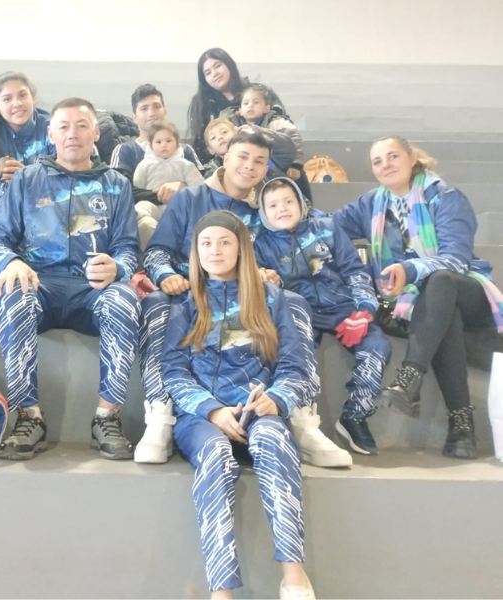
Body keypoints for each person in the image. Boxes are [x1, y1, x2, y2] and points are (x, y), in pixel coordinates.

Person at [140, 127, 352, 468]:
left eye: (259, 161)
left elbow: (280, 254)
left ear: (266, 167)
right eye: (243, 156)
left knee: (293, 300)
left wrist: (271, 275)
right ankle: (160, 416)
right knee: (156, 304)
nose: (249, 166)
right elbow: (156, 253)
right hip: (189, 295)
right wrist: (167, 276)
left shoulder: (264, 208)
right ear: (226, 157)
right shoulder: (189, 198)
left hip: (243, 298)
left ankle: (301, 418)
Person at [163, 210, 315, 599]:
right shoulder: (186, 302)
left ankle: (294, 579)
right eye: (206, 243)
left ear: (241, 248)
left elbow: (294, 368)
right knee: (215, 452)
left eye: (224, 242)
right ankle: (222, 592)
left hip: (256, 413)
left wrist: (275, 399)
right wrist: (211, 410)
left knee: (272, 439)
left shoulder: (271, 298)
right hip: (202, 419)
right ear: (196, 251)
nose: (214, 250)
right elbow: (174, 373)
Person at [0, 98, 141, 461]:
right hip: (41, 284)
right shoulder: (27, 180)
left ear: (96, 133)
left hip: (93, 290)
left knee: (124, 298)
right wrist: (10, 261)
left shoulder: (116, 184)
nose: (73, 134)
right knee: (13, 292)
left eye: (82, 126)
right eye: (64, 127)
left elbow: (128, 248)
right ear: (51, 134)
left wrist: (118, 268)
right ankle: (29, 417)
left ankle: (107, 417)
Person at [333, 136, 503, 460]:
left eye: (393, 156)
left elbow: (456, 260)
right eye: (377, 161)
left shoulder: (447, 197)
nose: (386, 165)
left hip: (468, 290)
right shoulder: (371, 204)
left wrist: (409, 270)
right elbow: (327, 225)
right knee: (444, 315)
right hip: (418, 305)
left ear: (412, 159)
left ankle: (410, 376)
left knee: (440, 281)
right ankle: (461, 430)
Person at [255, 177, 391, 455]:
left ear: (301, 203)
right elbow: (261, 286)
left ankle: (355, 415)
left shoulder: (328, 227)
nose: (282, 209)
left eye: (288, 201)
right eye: (273, 205)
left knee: (377, 345)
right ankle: (300, 420)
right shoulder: (260, 245)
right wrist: (268, 282)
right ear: (264, 212)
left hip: (343, 308)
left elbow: (354, 269)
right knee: (296, 354)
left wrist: (365, 310)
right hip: (299, 311)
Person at [0, 72, 55, 326]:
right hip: (5, 202)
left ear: (33, 98)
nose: (17, 103)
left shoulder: (51, 125)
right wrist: (18, 190)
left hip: (50, 200)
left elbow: (64, 179)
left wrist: (26, 178)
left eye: (22, 95)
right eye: (7, 99)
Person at [110, 84, 203, 208]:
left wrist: (182, 187)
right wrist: (170, 194)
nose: (151, 113)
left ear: (165, 112)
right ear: (134, 118)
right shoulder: (124, 150)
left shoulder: (186, 150)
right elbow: (120, 190)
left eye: (157, 107)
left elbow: (204, 189)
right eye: (144, 108)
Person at [187, 48, 286, 162]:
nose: (214, 73)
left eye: (217, 66)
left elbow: (284, 129)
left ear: (229, 65)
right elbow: (201, 148)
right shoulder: (201, 104)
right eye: (208, 73)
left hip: (271, 159)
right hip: (224, 165)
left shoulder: (260, 92)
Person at [223, 84, 313, 201]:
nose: (250, 106)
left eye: (256, 102)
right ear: (240, 111)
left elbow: (294, 139)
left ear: (266, 108)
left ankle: (303, 204)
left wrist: (295, 165)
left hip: (279, 168)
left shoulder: (277, 123)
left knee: (296, 183)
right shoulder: (233, 127)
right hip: (250, 171)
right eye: (246, 103)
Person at [133, 120, 204, 251]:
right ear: (151, 145)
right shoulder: (144, 165)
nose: (164, 145)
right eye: (158, 142)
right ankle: (157, 247)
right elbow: (137, 188)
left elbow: (200, 188)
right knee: (142, 206)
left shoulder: (186, 165)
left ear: (177, 143)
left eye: (168, 141)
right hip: (155, 208)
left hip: (180, 210)